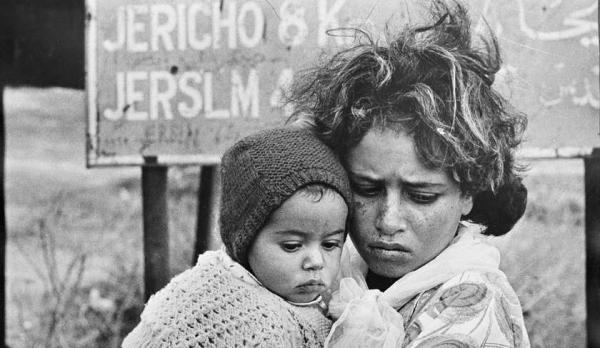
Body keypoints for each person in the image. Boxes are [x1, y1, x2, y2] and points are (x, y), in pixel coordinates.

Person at [286, 1, 530, 346]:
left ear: (468, 193)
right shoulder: (340, 271)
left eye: (421, 196)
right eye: (366, 189)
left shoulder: (472, 310)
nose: (388, 221)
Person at [122, 128, 352, 347]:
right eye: (292, 246)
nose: (315, 261)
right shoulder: (248, 321)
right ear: (245, 239)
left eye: (330, 244)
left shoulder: (314, 300)